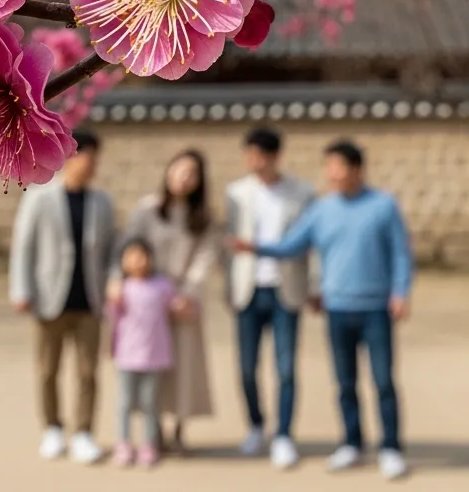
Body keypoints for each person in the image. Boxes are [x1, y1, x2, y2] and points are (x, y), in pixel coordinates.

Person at [232, 140, 414, 480]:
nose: (331, 174)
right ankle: (352, 442)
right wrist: (255, 248)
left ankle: (390, 447)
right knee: (345, 382)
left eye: (337, 167)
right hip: (337, 308)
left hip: (375, 308)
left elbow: (401, 253)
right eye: (328, 167)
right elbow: (293, 245)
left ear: (356, 169)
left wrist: (400, 292)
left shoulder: (383, 206)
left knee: (383, 380)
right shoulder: (321, 210)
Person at [9, 130, 118, 465]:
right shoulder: (40, 196)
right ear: (73, 156)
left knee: (88, 372)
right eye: (89, 156)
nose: (94, 164)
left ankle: (84, 432)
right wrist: (21, 289)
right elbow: (23, 245)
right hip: (47, 297)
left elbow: (113, 250)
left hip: (90, 300)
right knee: (47, 369)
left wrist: (113, 282)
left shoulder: (102, 202)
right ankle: (53, 428)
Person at [111, 149, 217, 455]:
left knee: (183, 367)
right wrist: (122, 279)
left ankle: (179, 430)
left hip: (183, 299)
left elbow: (205, 256)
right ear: (168, 171)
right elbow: (129, 247)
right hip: (147, 299)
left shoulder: (203, 218)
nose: (183, 178)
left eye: (191, 174)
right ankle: (151, 432)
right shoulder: (148, 210)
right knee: (149, 365)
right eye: (178, 170)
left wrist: (187, 293)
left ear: (199, 181)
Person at [223, 127, 318, 469]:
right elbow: (228, 247)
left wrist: (314, 287)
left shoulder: (302, 193)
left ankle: (284, 435)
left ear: (275, 156)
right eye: (248, 154)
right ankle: (257, 425)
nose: (253, 161)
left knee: (286, 367)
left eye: (260, 155)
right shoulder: (236, 193)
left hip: (286, 289)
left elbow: (312, 246)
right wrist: (228, 289)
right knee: (247, 367)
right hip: (248, 288)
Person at [107, 238, 180, 469]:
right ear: (123, 261)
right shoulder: (122, 288)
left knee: (150, 403)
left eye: (143, 255)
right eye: (132, 256)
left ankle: (150, 444)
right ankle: (124, 443)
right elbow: (111, 317)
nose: (138, 261)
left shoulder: (161, 285)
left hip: (154, 355)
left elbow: (176, 305)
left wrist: (185, 306)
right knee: (125, 402)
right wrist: (113, 297)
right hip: (128, 355)